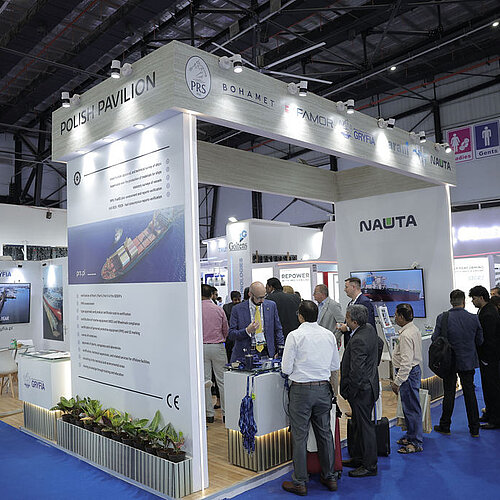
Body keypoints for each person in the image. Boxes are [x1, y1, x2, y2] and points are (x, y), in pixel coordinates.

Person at [281, 300, 340, 495]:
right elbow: (334, 366)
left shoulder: (294, 336)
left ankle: (300, 481)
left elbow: (286, 368)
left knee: (300, 437)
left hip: (301, 391)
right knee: (325, 434)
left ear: (300, 316)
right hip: (323, 389)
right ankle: (330, 476)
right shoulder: (329, 335)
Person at [433, 289, 483, 436]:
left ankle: (445, 425)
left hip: (448, 362)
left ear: (451, 302)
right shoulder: (474, 318)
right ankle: (474, 428)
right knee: (470, 393)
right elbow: (480, 341)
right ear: (464, 301)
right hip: (467, 361)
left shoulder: (442, 318)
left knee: (449, 393)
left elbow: (435, 339)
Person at [340, 305, 380, 478]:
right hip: (368, 386)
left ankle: (369, 465)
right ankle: (358, 458)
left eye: (347, 318)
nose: (345, 320)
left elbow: (356, 370)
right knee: (358, 425)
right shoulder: (369, 329)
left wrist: (351, 391)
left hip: (361, 390)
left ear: (354, 321)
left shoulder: (358, 339)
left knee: (365, 427)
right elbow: (380, 345)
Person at [391, 303, 424, 452]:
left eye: (396, 315)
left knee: (411, 408)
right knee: (410, 407)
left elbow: (406, 362)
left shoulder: (406, 335)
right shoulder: (413, 329)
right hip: (412, 373)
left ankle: (415, 442)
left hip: (408, 375)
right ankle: (411, 436)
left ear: (402, 317)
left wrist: (397, 381)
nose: (395, 317)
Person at [228, 281, 284, 362]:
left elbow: (278, 329)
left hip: (266, 352)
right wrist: (247, 331)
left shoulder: (271, 306)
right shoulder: (237, 309)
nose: (262, 300)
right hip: (246, 353)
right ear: (250, 294)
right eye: (259, 298)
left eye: (264, 297)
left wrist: (280, 349)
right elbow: (231, 334)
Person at [469, 285, 500, 429]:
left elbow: (489, 338)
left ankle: (495, 419)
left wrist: (485, 356)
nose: (472, 301)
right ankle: (489, 413)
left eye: (474, 298)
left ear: (481, 298)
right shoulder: (485, 310)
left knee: (492, 388)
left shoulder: (489, 314)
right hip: (487, 357)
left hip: (490, 357)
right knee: (487, 387)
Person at [201, 284, 228, 424]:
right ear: (211, 295)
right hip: (218, 346)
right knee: (222, 381)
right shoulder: (218, 309)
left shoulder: (195, 310)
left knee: (205, 382)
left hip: (201, 348)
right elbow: (226, 329)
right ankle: (226, 414)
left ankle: (209, 414)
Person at [313, 284, 343, 395]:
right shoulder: (317, 306)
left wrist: (334, 339)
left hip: (330, 344)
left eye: (315, 293)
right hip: (318, 344)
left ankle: (334, 396)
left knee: (332, 370)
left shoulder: (333, 305)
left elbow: (341, 323)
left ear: (322, 294)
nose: (313, 295)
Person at [338, 277, 376, 348]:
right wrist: (343, 326)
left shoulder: (364, 302)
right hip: (352, 344)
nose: (344, 290)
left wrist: (347, 328)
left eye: (346, 287)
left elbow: (367, 325)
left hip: (361, 345)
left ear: (353, 287)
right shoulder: (351, 303)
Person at [223, 291, 241, 361]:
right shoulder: (226, 307)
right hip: (230, 335)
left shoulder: (243, 306)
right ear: (231, 299)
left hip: (240, 333)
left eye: (239, 299)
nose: (237, 301)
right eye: (235, 300)